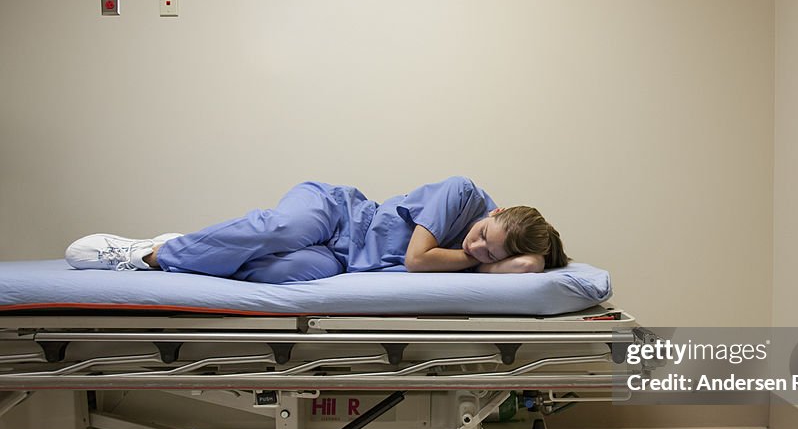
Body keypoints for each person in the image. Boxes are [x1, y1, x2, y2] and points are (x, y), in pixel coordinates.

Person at [64, 176, 568, 283]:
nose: (475, 244)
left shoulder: (498, 250)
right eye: (482, 232)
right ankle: (145, 254)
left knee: (277, 273)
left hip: (342, 259)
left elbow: (529, 263)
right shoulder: (464, 194)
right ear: (496, 211)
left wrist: (514, 261)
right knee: (281, 228)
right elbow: (417, 259)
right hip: (337, 212)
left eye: (487, 253)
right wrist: (480, 260)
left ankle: (181, 247)